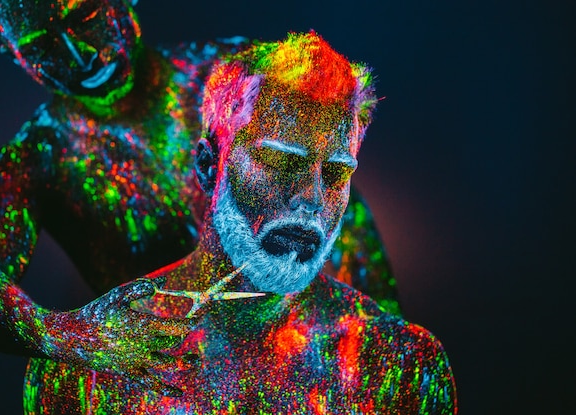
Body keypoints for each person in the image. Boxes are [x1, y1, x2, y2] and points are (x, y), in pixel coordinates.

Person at [24, 32, 457, 414]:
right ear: (211, 165)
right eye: (281, 163)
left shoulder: (400, 364)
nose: (310, 200)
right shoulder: (86, 364)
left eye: (335, 173)